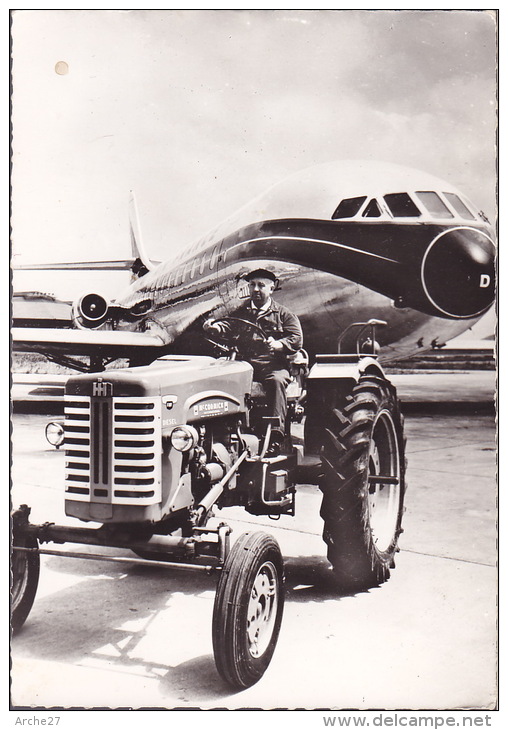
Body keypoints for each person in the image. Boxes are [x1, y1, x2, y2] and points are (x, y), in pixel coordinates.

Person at [205, 268, 303, 456]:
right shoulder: (242, 311)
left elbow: (296, 339)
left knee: (277, 381)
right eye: (252, 285)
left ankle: (275, 434)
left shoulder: (283, 314)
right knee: (222, 377)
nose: (256, 289)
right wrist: (215, 328)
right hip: (246, 364)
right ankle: (224, 431)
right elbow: (228, 325)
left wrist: (279, 344)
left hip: (272, 365)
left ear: (271, 289)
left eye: (261, 285)